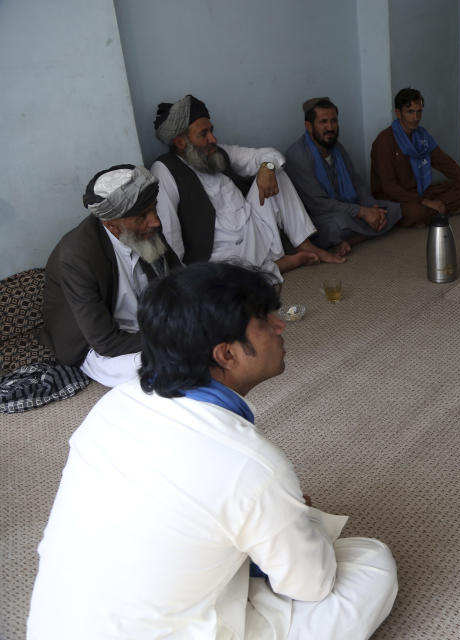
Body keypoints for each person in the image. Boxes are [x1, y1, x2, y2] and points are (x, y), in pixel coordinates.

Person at [27, 262, 398, 639]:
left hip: (53, 628)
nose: (280, 325)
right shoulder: (252, 465)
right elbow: (310, 587)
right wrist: (297, 518)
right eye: (263, 321)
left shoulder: (112, 405)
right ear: (226, 355)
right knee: (372, 563)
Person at [151, 94, 344, 282]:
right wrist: (178, 280)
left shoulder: (218, 152)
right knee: (220, 284)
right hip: (220, 251)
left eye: (211, 130)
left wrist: (266, 168)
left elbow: (269, 154)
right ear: (180, 141)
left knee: (276, 172)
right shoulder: (165, 170)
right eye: (204, 134)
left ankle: (305, 245)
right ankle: (277, 266)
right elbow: (170, 233)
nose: (213, 139)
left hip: (254, 230)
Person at [40, 164, 182, 387]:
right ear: (112, 226)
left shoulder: (145, 228)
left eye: (154, 209)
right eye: (143, 215)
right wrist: (175, 338)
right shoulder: (76, 257)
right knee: (168, 368)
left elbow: (179, 281)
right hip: (96, 345)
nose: (154, 221)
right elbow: (106, 342)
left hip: (146, 325)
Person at [286, 96, 418, 256]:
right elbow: (318, 205)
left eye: (334, 121)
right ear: (309, 126)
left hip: (347, 208)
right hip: (318, 218)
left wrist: (372, 207)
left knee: (391, 209)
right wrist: (362, 212)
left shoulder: (336, 147)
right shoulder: (298, 156)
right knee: (338, 225)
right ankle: (358, 234)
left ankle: (351, 241)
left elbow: (356, 182)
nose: (330, 127)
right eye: (323, 122)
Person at [370, 87, 460, 220]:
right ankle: (445, 211)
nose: (415, 118)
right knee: (416, 212)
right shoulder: (384, 141)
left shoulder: (422, 136)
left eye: (419, 112)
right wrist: (425, 202)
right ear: (398, 113)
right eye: (410, 112)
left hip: (420, 190)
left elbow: (445, 163)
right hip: (395, 197)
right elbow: (389, 187)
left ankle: (437, 212)